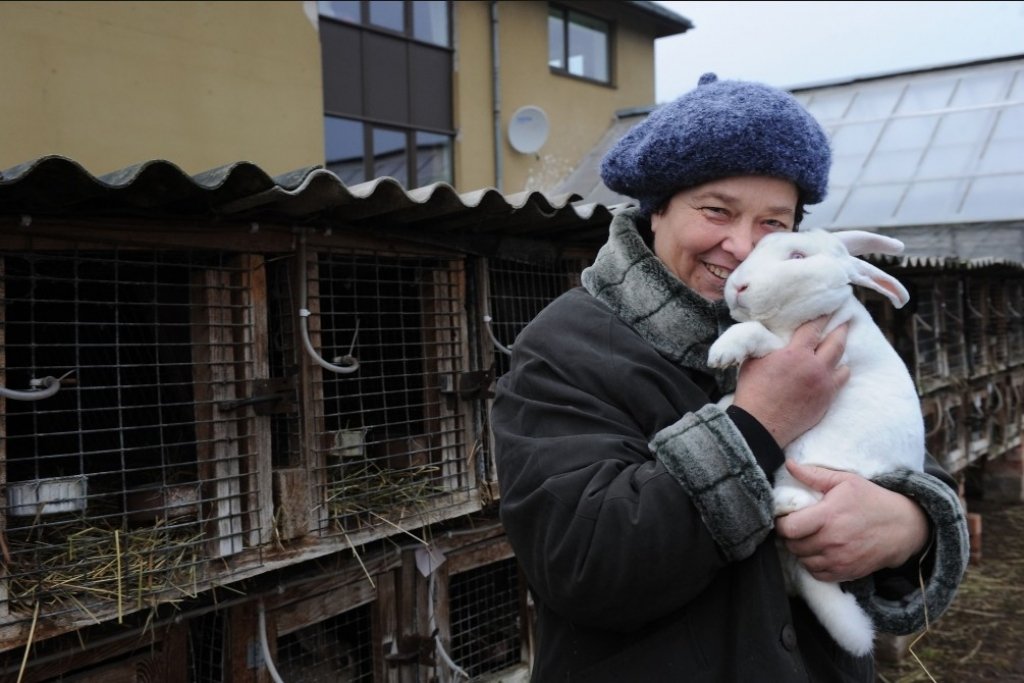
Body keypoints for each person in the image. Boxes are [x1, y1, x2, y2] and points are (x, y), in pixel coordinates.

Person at [490, 73, 968, 682]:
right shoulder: (564, 347)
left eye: (774, 222)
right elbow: (584, 564)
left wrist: (909, 524)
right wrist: (758, 422)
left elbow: (903, 451)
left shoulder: (818, 322)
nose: (742, 246)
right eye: (716, 210)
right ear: (656, 208)